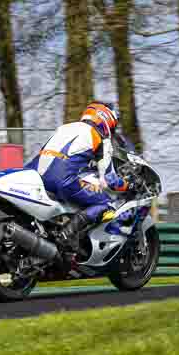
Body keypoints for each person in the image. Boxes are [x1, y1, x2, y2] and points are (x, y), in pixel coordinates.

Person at [25, 101, 133, 252]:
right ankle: (67, 234)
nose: (113, 131)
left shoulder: (64, 128)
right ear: (106, 119)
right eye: (113, 126)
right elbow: (109, 180)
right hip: (63, 181)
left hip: (33, 176)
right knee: (106, 203)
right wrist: (128, 185)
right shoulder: (100, 137)